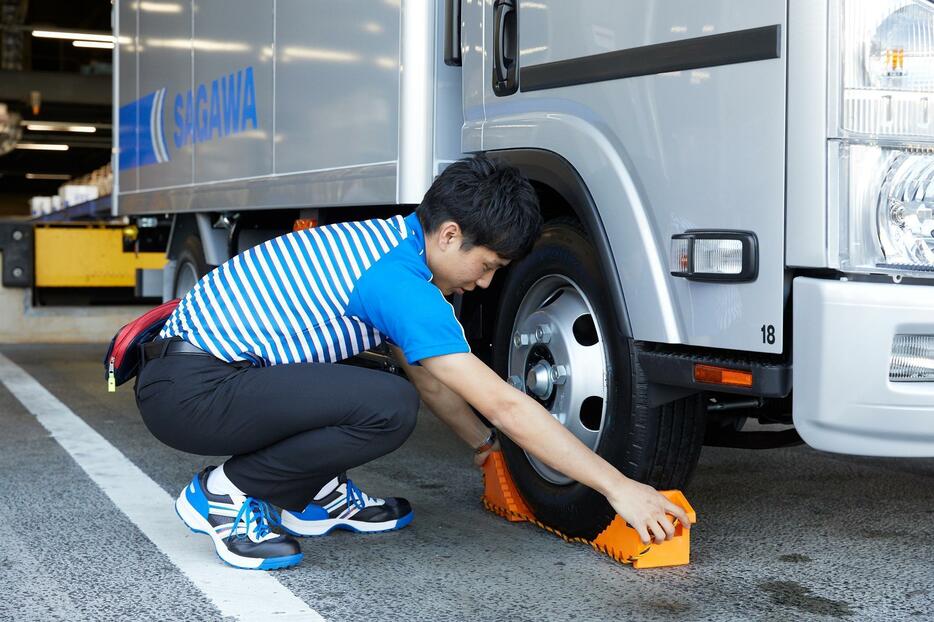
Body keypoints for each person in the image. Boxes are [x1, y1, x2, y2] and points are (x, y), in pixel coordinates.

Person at [134, 155, 690, 570]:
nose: (487, 281)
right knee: (386, 405)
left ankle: (311, 495)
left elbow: (432, 377)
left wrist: (483, 449)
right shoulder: (400, 283)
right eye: (487, 264)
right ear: (450, 235)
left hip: (197, 375)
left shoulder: (391, 246)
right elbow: (501, 400)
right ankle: (225, 493)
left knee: (384, 379)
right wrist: (619, 487)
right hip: (190, 389)